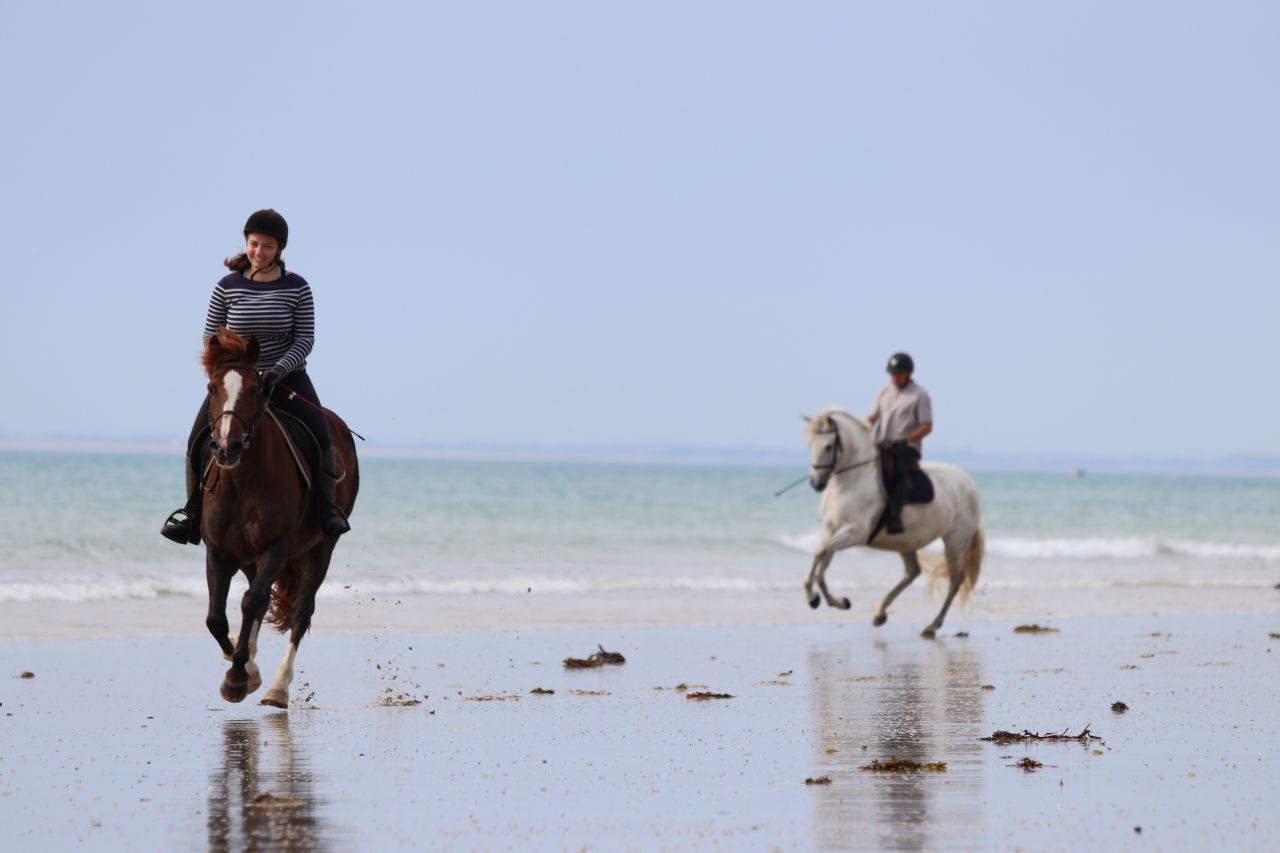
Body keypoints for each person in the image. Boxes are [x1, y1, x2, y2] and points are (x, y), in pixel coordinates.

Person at [161, 209, 351, 544]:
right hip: (237, 382)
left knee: (321, 436)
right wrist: (232, 367)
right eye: (253, 244)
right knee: (197, 440)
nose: (259, 251)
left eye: (266, 245)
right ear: (245, 244)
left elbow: (305, 338)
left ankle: (326, 510)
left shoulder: (297, 286)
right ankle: (192, 515)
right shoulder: (226, 286)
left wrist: (278, 369)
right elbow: (210, 335)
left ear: (279, 249)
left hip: (286, 377)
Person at [866, 352, 932, 534]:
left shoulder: (920, 395)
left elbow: (927, 426)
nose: (894, 378)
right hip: (881, 443)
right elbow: (872, 417)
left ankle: (895, 517)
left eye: (898, 374)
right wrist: (863, 428)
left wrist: (907, 439)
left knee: (900, 472)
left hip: (906, 447)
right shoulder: (884, 392)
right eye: (892, 375)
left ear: (908, 373)